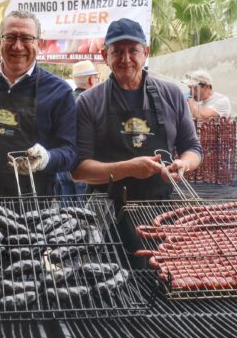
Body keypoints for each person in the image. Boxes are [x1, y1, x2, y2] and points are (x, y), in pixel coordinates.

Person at [73, 18, 202, 201]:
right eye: (117, 51)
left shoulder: (172, 94)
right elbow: (78, 170)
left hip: (160, 209)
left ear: (146, 53)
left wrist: (184, 164)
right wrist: (127, 169)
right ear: (105, 56)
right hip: (104, 211)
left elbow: (192, 147)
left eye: (133, 50)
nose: (126, 59)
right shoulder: (88, 102)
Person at [0, 10, 77, 198]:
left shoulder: (59, 92)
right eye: (10, 37)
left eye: (26, 38)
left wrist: (46, 159)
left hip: (33, 210)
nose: (17, 46)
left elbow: (70, 153)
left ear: (40, 44)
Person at [57, 60, 99, 196]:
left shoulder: (64, 101)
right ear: (91, 80)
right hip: (83, 165)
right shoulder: (92, 103)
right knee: (81, 215)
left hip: (62, 164)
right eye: (96, 77)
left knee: (64, 214)